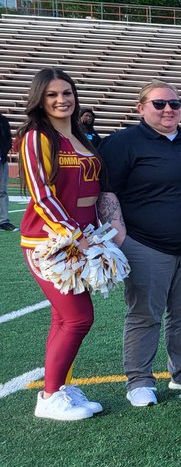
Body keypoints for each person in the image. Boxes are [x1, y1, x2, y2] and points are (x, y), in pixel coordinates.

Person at [97, 81, 181, 407]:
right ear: (141, 108)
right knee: (144, 313)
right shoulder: (122, 143)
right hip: (146, 245)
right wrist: (120, 235)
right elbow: (106, 191)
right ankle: (138, 379)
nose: (168, 109)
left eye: (175, 103)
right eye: (159, 104)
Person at [17, 68, 106, 420]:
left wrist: (98, 231)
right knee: (78, 318)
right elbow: (42, 195)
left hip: (83, 240)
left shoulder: (83, 136)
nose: (61, 100)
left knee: (62, 317)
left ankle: (57, 389)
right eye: (52, 94)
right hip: (49, 243)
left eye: (67, 93)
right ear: (40, 98)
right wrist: (76, 236)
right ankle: (50, 395)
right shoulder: (37, 136)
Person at [0, 113, 13, 231]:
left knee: (2, 191)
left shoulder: (3, 120)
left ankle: (3, 221)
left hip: (1, 161)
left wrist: (2, 153)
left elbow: (8, 139)